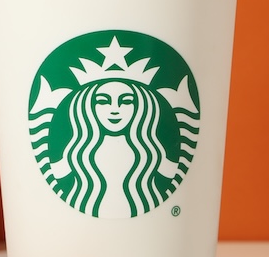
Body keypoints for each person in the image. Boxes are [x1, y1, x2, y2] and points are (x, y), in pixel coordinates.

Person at [48, 78, 182, 217]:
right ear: (89, 107)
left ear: (139, 107)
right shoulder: (77, 152)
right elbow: (57, 174)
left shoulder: (151, 151)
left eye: (126, 101)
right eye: (103, 101)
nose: (115, 110)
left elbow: (170, 173)